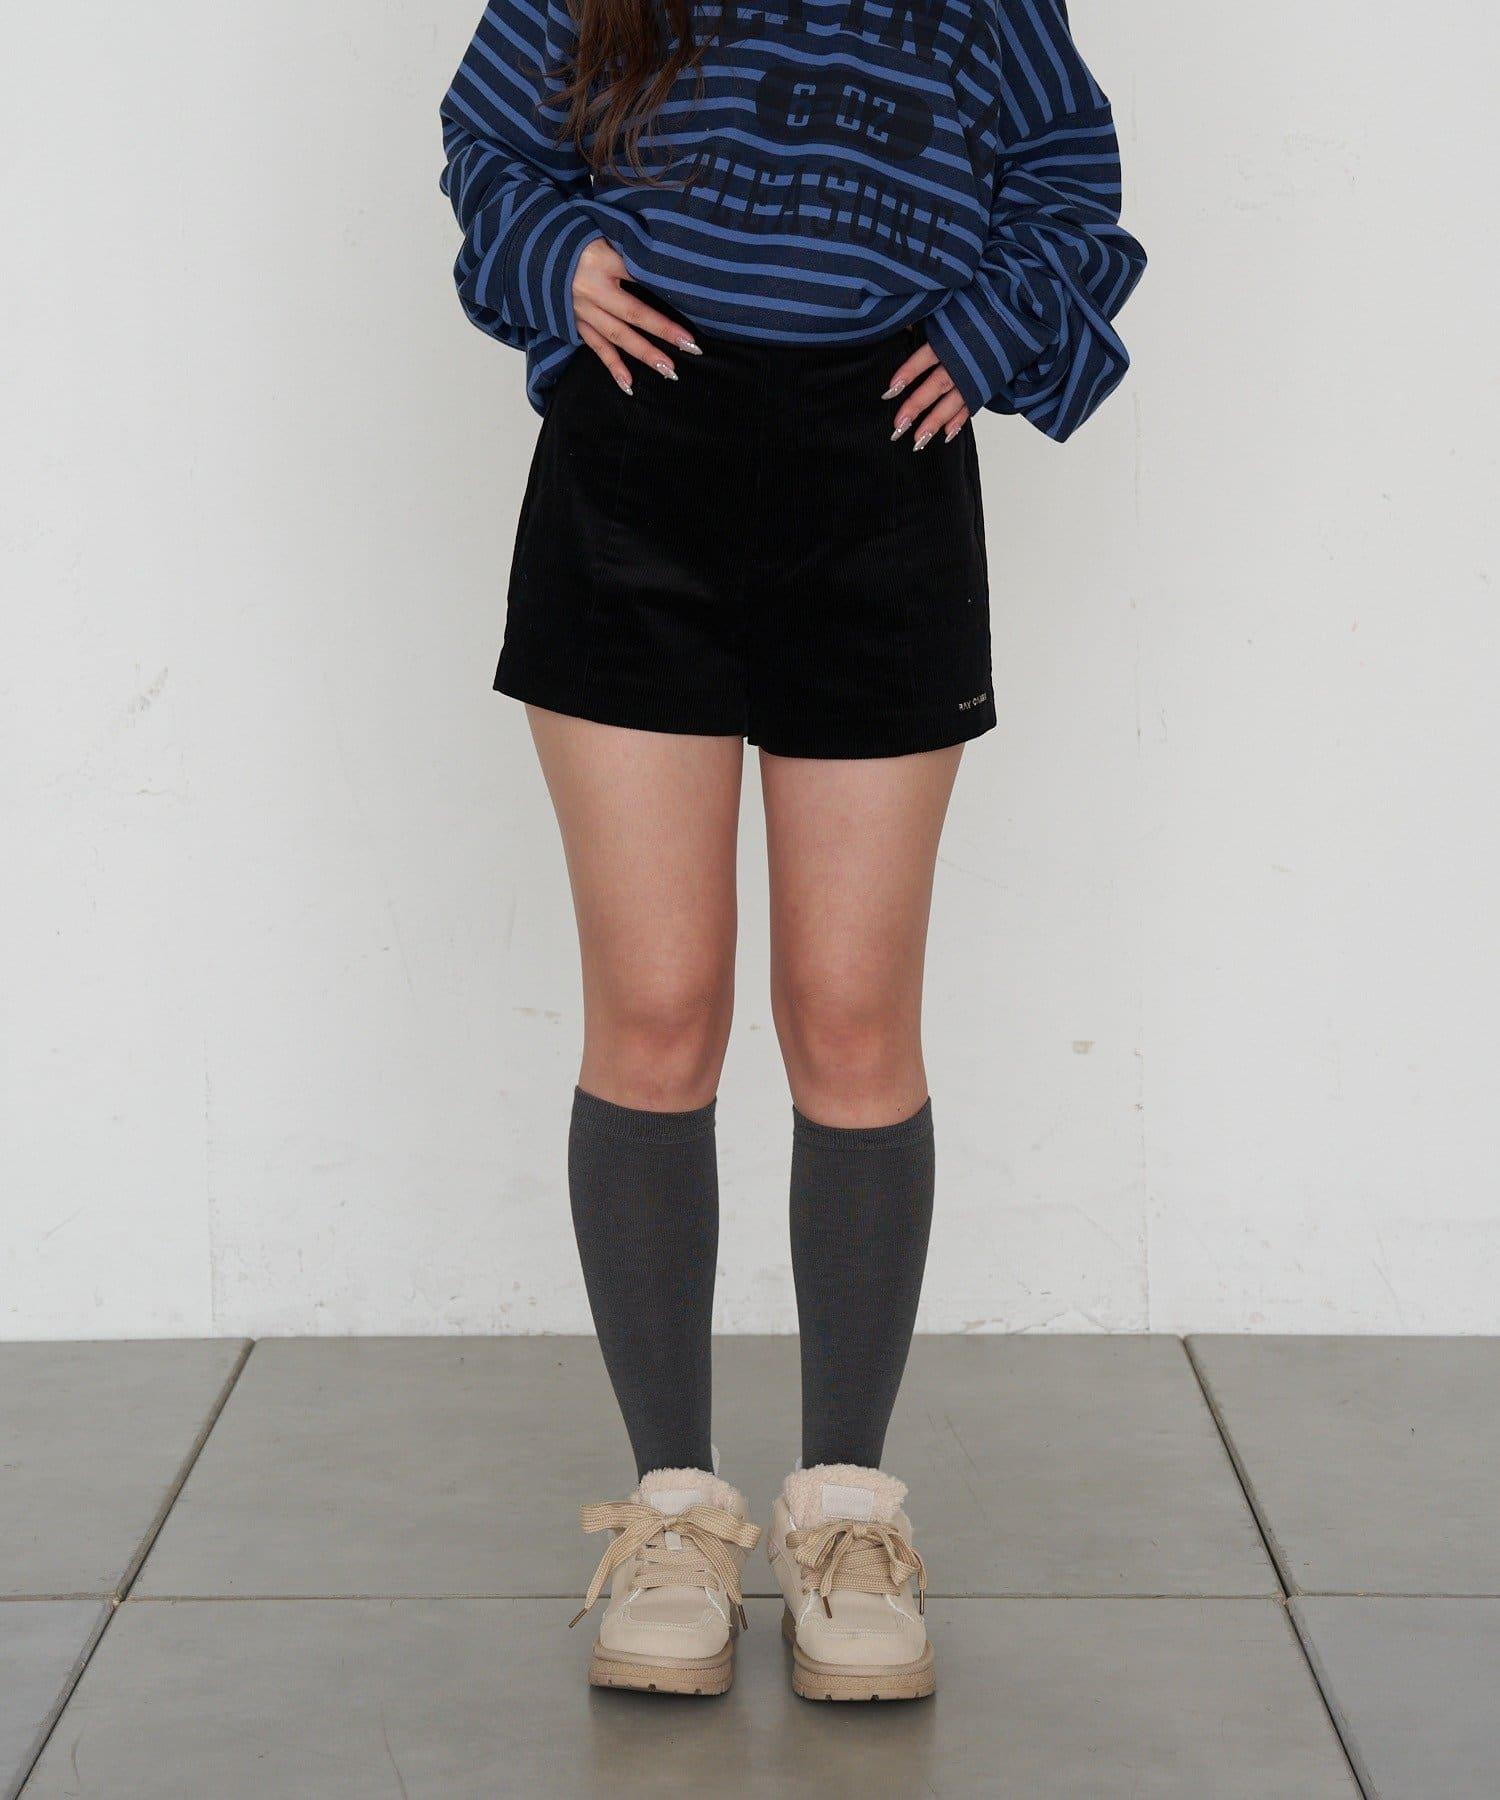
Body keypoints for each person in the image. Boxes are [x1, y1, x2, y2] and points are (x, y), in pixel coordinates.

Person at [439, 0, 1144, 1702]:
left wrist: (992, 326)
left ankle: (845, 1520)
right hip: (636, 466)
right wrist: (557, 261)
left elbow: (1069, 179)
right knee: (658, 1015)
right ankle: (674, 1516)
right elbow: (488, 142)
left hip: (879, 477)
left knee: (849, 1019)